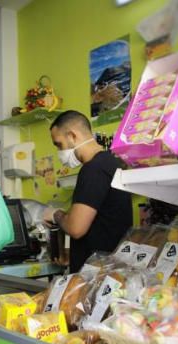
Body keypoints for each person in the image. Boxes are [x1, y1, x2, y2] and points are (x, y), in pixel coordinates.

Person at [43, 110, 133, 272]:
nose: (59, 152)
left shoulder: (93, 169)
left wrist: (55, 214)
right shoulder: (111, 163)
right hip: (111, 266)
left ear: (72, 136)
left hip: (97, 272)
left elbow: (76, 228)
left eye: (59, 144)